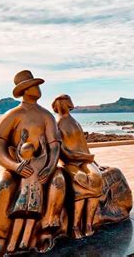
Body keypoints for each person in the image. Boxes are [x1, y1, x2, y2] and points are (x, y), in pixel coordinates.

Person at [0, 70, 65, 257]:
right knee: (2, 184)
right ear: (25, 89)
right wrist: (14, 166)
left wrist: (49, 166)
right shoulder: (12, 115)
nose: (38, 89)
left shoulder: (46, 116)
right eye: (34, 85)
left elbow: (54, 146)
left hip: (42, 168)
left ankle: (47, 231)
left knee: (59, 180)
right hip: (17, 167)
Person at [51, 94, 103, 239]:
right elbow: (62, 151)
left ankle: (88, 224)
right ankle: (74, 226)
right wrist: (82, 157)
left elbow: (84, 146)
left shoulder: (75, 122)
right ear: (59, 104)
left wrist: (95, 163)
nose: (69, 104)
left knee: (96, 178)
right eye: (65, 102)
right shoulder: (57, 124)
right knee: (79, 179)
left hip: (85, 160)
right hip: (70, 162)